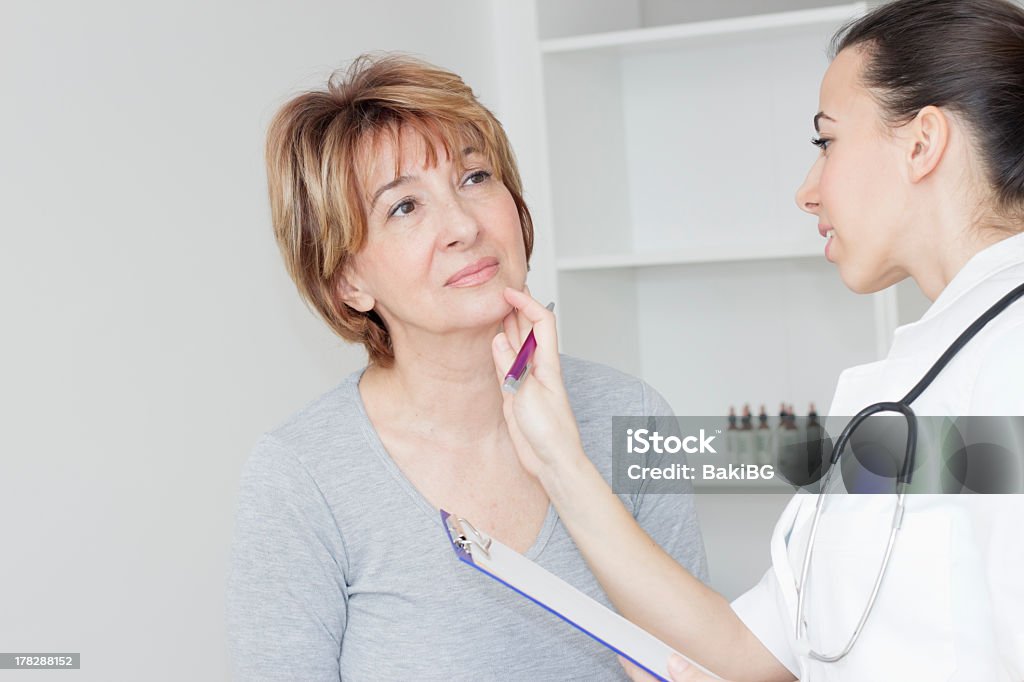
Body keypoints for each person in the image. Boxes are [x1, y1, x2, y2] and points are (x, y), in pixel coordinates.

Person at [491, 0, 1024, 680]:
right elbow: (749, 652)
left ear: (922, 142)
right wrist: (559, 462)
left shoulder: (1012, 360)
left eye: (825, 142)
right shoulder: (923, 373)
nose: (807, 191)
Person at [224, 54, 708, 680]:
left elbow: (704, 661)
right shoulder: (300, 479)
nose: (461, 225)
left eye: (475, 178)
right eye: (403, 207)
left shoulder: (633, 416)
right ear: (348, 280)